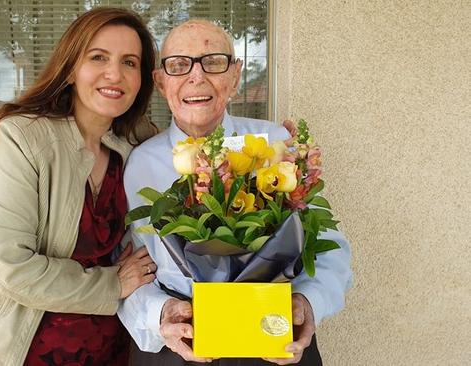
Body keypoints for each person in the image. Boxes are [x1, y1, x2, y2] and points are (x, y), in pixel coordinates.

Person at [118, 19, 353, 366]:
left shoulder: (276, 145)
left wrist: (307, 303)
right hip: (179, 345)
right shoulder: (139, 163)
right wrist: (160, 314)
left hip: (272, 334)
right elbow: (127, 269)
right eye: (179, 64)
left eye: (213, 61)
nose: (196, 76)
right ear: (160, 81)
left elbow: (329, 251)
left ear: (236, 75)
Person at [0, 7, 160, 366]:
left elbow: (194, 163)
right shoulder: (21, 138)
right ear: (70, 69)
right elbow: (13, 268)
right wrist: (113, 284)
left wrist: (281, 153)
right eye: (98, 57)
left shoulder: (137, 141)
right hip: (26, 348)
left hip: (114, 348)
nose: (115, 73)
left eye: (130, 62)